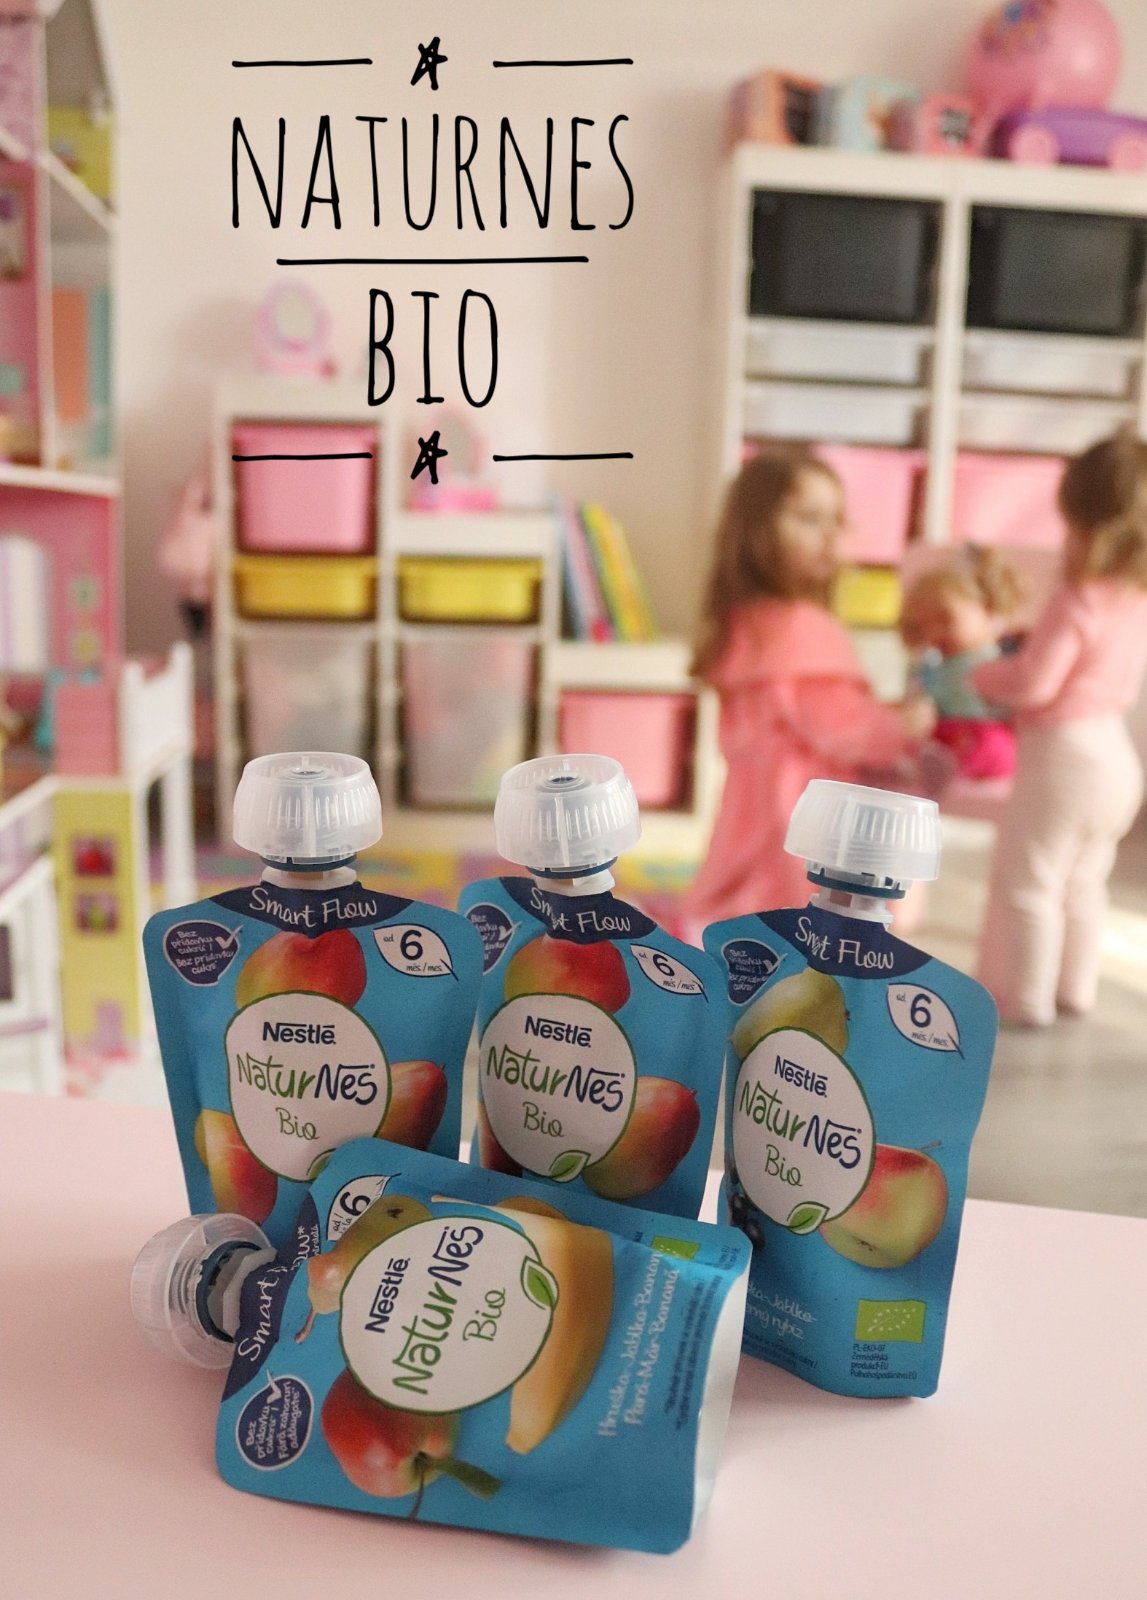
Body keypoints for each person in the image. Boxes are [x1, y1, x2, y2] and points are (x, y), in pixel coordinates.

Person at [679, 447, 934, 933]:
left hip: (752, 810)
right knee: (799, 918)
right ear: (758, 534)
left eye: (836, 519)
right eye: (809, 519)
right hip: (801, 816)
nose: (831, 534)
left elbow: (811, 713)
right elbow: (848, 731)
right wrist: (903, 725)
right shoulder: (803, 627)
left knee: (746, 908)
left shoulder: (746, 622)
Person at [973, 429, 1147, 1026]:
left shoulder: (1076, 600)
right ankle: (1076, 991)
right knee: (1084, 883)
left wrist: (982, 674)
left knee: (1029, 882)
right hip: (1117, 757)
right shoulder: (1136, 598)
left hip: (1064, 759)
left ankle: (1025, 1001)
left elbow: (1034, 684)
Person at [900, 547, 1024, 781]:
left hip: (983, 735)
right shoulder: (930, 663)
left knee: (992, 744)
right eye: (924, 625)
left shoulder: (994, 662)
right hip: (943, 739)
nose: (935, 633)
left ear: (988, 607)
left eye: (946, 618)